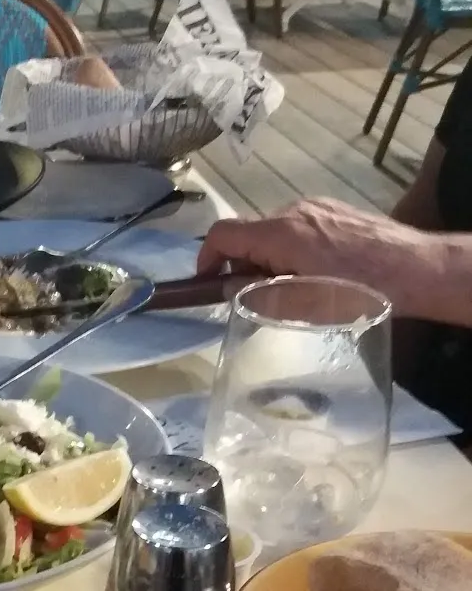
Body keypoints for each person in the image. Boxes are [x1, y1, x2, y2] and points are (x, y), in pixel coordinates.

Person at [199, 56, 472, 438]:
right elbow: (428, 209)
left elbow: (412, 255)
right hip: (426, 419)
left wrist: (401, 262)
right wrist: (381, 408)